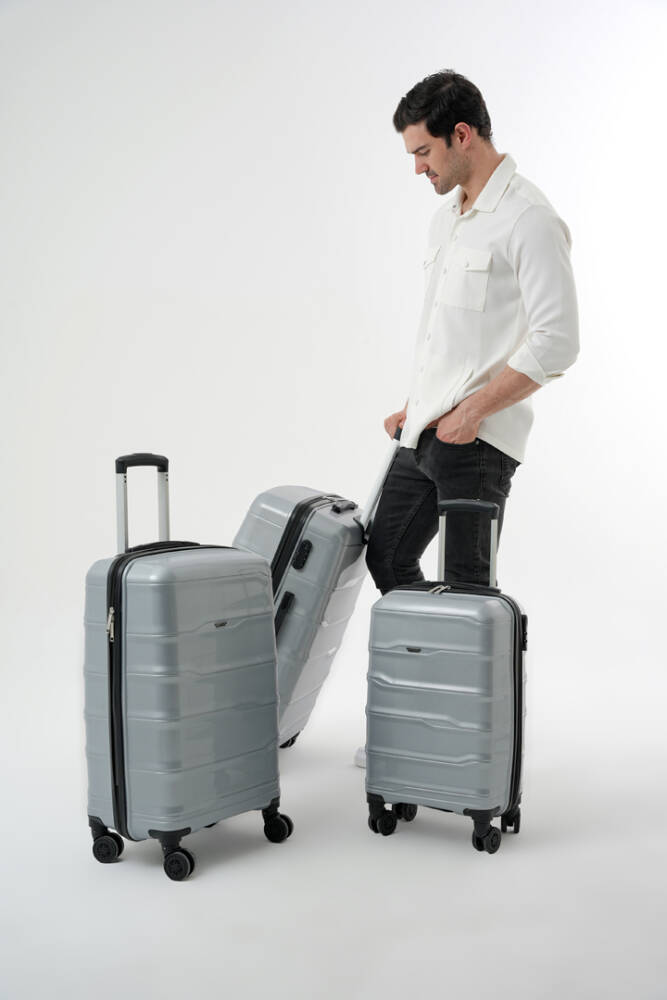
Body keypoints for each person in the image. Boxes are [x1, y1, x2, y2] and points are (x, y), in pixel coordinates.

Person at [355, 69, 579, 767]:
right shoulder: (447, 216)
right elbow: (446, 333)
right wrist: (419, 403)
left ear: (462, 135)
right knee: (386, 553)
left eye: (423, 152)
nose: (417, 168)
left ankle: (464, 752)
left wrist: (473, 408)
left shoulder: (529, 219)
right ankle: (432, 713)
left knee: (468, 594)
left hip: (477, 441)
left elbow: (557, 340)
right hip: (426, 430)